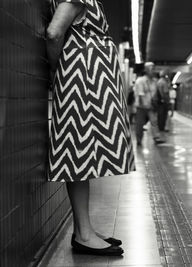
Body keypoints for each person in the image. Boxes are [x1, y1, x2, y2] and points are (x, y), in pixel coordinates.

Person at [46, 0, 134, 256]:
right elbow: (54, 32)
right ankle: (84, 234)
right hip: (81, 77)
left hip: (86, 76)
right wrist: (57, 71)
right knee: (78, 152)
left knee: (83, 154)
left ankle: (84, 229)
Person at [134, 62, 165, 146]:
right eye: (151, 69)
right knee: (140, 124)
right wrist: (145, 105)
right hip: (141, 106)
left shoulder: (155, 82)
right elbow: (141, 95)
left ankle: (156, 138)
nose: (153, 71)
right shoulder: (140, 81)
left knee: (154, 122)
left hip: (151, 106)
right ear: (146, 70)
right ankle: (139, 140)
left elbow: (155, 94)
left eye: (154, 69)